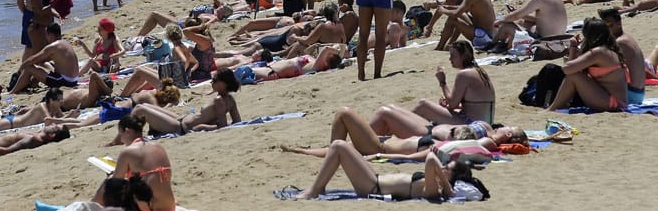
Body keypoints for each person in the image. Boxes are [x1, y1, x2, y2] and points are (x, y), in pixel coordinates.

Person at [287, 146, 478, 201]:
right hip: (375, 178)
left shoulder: (434, 189)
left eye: (448, 169)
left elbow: (430, 160)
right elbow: (432, 156)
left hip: (373, 187)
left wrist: (447, 187)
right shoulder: (436, 183)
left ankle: (315, 190)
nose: (443, 168)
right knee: (349, 148)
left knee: (338, 146)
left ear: (452, 178)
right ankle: (316, 187)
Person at [94, 114, 176, 211]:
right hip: (169, 205)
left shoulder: (128, 151)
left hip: (149, 207)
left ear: (127, 131)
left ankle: (91, 206)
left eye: (121, 135)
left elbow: (116, 182)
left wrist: (110, 176)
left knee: (109, 183)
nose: (121, 140)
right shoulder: (158, 147)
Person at [547, 18, 628, 112]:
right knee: (574, 75)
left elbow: (567, 69)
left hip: (613, 103)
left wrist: (573, 47)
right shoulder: (607, 49)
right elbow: (571, 68)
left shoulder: (598, 52)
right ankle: (557, 106)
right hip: (615, 101)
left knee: (574, 76)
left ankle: (552, 108)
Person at [130, 68, 241, 134]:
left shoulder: (219, 101)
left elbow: (222, 127)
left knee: (140, 108)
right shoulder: (231, 100)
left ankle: (120, 139)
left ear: (223, 83)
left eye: (214, 80)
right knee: (144, 106)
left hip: (180, 127)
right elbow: (237, 122)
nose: (212, 83)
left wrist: (201, 127)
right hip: (182, 119)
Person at [412, 39, 496, 124]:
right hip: (486, 123)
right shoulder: (480, 71)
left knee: (423, 105)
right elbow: (474, 103)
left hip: (472, 124)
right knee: (436, 108)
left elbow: (452, 104)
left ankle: (403, 129)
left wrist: (442, 82)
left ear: (463, 56)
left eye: (453, 55)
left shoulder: (464, 74)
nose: (450, 59)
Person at [492, 0, 567, 49]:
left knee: (506, 25)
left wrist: (500, 21)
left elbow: (516, 16)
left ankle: (492, 43)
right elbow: (542, 19)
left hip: (544, 42)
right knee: (523, 22)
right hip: (560, 39)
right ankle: (503, 42)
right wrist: (519, 15)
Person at [8, 22, 81, 92]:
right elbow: (41, 60)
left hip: (65, 81)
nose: (45, 37)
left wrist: (19, 70)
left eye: (46, 35)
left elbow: (32, 59)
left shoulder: (53, 46)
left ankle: (13, 91)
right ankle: (32, 84)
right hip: (74, 79)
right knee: (44, 64)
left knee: (28, 68)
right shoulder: (65, 43)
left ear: (51, 35)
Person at [598, 8, 646, 105]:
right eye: (604, 25)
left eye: (609, 24)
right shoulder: (627, 37)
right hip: (638, 93)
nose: (606, 29)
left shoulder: (620, 42)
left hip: (631, 95)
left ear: (619, 23)